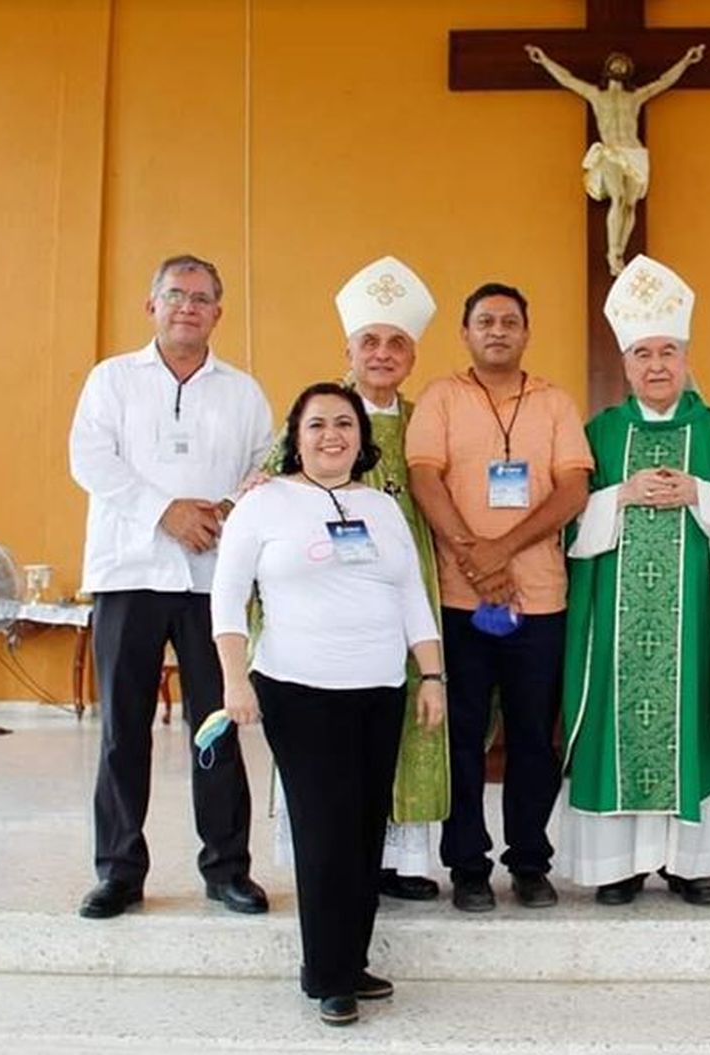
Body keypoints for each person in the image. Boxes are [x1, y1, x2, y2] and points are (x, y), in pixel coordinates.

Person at [212, 382, 445, 1028]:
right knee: (323, 830)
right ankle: (327, 974)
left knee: (367, 828)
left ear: (361, 438)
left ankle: (353, 957)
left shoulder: (384, 506)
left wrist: (432, 675)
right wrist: (236, 680)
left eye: (344, 423)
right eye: (316, 424)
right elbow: (227, 600)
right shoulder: (262, 505)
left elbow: (411, 598)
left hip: (378, 689)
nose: (331, 434)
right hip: (297, 689)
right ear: (296, 436)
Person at [559, 254, 710, 905]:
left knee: (690, 717)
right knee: (616, 723)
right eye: (643, 354)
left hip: (696, 626)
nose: (656, 365)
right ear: (625, 364)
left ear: (685, 357)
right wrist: (619, 495)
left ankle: (690, 862)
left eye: (668, 352)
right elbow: (564, 518)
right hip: (612, 626)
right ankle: (618, 865)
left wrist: (703, 493)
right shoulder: (597, 434)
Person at [68, 254, 273, 920]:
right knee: (124, 728)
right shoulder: (111, 381)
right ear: (149, 305)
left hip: (212, 579)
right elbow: (91, 460)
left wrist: (225, 512)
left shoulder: (242, 392)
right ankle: (119, 870)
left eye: (202, 297)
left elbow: (264, 468)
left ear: (219, 311)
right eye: (175, 294)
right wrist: (168, 511)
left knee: (215, 724)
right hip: (128, 574)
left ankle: (226, 867)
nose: (188, 305)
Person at [265, 256, 449, 902]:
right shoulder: (320, 417)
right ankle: (337, 854)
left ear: (413, 354)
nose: (382, 352)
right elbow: (267, 491)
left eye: (396, 342)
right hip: (326, 609)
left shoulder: (429, 416)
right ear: (347, 347)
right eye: (369, 340)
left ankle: (402, 858)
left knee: (406, 722)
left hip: (408, 591)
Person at [405, 282, 593, 912]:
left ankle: (531, 862)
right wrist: (473, 555)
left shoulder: (556, 403)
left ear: (525, 333)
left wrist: (501, 550)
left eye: (510, 321)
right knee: (460, 736)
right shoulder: (441, 398)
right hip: (460, 602)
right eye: (484, 321)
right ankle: (467, 866)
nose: (497, 330)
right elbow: (424, 479)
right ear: (465, 333)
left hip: (539, 600)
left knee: (535, 738)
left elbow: (573, 490)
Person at [524, 43, 705, 275]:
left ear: (628, 70)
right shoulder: (595, 95)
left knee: (630, 205)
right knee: (617, 198)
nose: (619, 66)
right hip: (611, 151)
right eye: (615, 63)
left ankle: (620, 253)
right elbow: (567, 79)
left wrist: (687, 60)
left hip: (634, 151)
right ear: (608, 68)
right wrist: (544, 59)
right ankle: (613, 253)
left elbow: (664, 81)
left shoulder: (636, 96)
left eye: (623, 64)